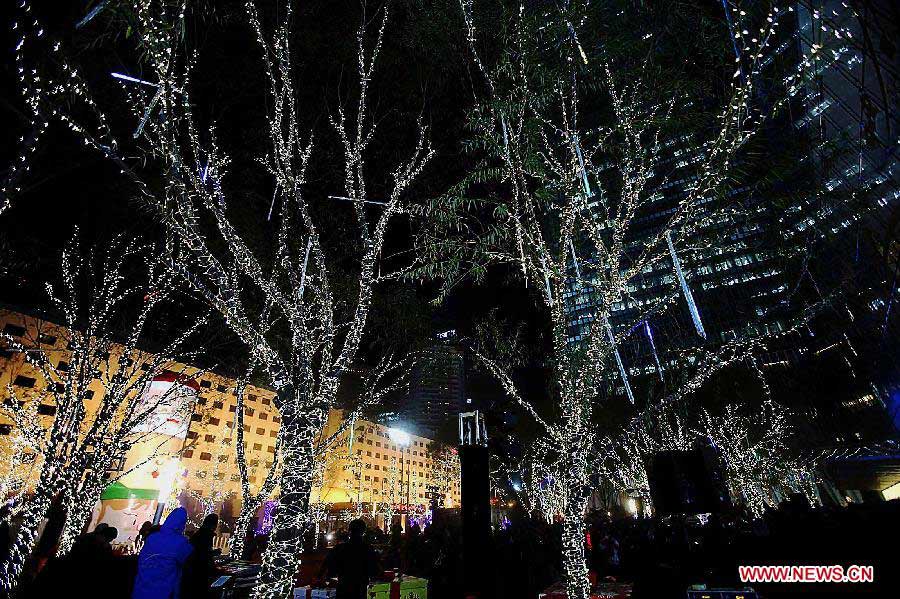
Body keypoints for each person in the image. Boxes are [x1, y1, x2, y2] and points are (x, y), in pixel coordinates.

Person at [132, 507, 193, 599]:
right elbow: (186, 560)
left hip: (142, 586)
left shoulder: (152, 537)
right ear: (182, 524)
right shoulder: (181, 542)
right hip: (163, 590)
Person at [321, 519, 380, 599]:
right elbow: (375, 570)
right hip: (360, 588)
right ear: (363, 532)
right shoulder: (367, 549)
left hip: (343, 586)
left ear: (349, 530)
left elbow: (326, 565)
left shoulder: (339, 548)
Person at [181, 514, 219, 599]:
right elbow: (204, 554)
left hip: (192, 572)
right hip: (199, 572)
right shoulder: (206, 535)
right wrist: (214, 569)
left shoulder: (199, 534)